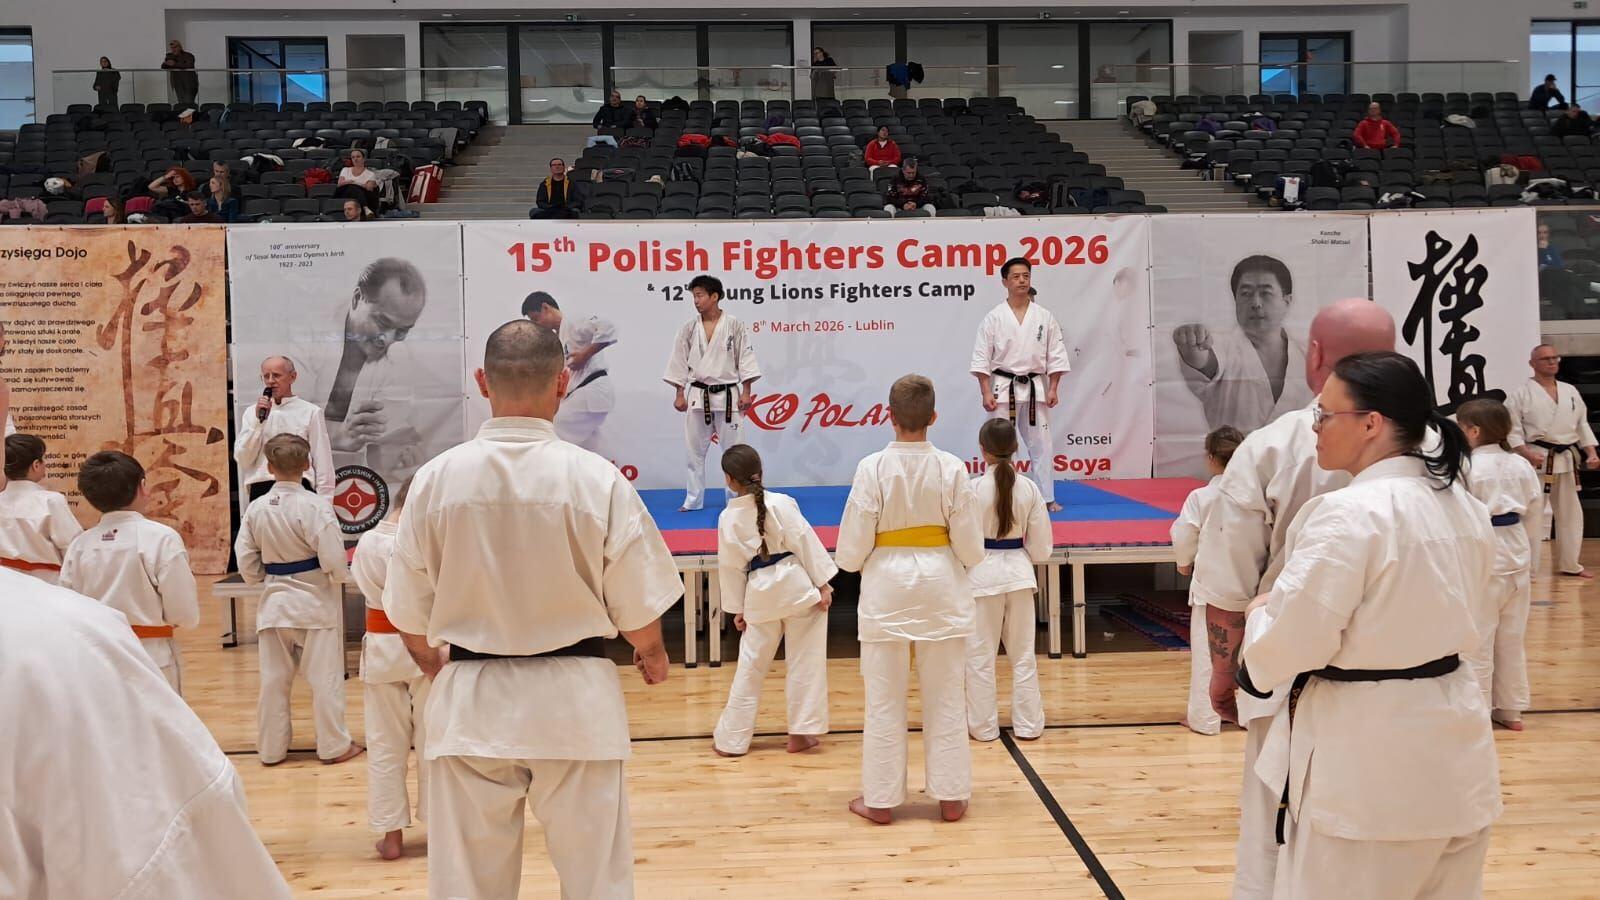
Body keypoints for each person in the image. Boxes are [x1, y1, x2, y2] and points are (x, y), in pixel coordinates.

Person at [383, 319, 682, 900]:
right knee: (597, 883)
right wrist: (652, 654)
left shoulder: (435, 481)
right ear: (563, 382)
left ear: (481, 382)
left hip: (472, 701)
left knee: (468, 887)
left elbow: (409, 616)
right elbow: (637, 607)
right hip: (576, 702)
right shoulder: (597, 479)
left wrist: (433, 664)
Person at [1236, 351, 1500, 899]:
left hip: (1366, 763)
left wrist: (1260, 615)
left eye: (1325, 414)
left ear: (1371, 423)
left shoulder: (1348, 513)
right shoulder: (1462, 505)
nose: (1315, 427)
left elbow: (1294, 643)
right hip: (1454, 742)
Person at [1190, 297, 1398, 900]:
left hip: (1294, 676)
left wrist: (1224, 674)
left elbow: (1230, 580)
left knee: (1275, 835)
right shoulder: (1443, 452)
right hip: (1415, 684)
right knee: (1391, 846)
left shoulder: (1273, 446)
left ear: (1314, 354)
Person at [0, 569, 293, 899]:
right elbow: (184, 610)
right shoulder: (64, 638)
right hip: (128, 655)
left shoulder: (77, 564)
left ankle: (271, 749)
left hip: (106, 650)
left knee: (273, 686)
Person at [836, 374, 985, 826]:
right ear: (933, 417)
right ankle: (952, 796)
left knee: (884, 700)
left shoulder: (872, 469)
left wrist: (875, 556)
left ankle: (880, 801)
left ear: (889, 416)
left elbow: (850, 553)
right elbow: (972, 549)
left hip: (887, 589)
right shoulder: (952, 468)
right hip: (941, 587)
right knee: (947, 697)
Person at [235, 433, 363, 767]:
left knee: (273, 683)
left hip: (274, 606)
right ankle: (333, 746)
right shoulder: (315, 507)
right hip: (314, 606)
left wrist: (262, 577)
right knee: (325, 681)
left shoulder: (256, 509)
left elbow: (246, 561)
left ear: (269, 467)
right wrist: (338, 576)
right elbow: (334, 561)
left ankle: (271, 749)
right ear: (307, 465)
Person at [712, 444, 837, 757]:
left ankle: (732, 740)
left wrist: (738, 609)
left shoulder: (728, 517)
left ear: (729, 480)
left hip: (760, 594)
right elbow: (804, 541)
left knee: (750, 668)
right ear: (761, 471)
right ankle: (801, 734)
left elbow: (730, 567)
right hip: (797, 588)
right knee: (806, 662)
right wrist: (823, 583)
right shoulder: (782, 503)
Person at [57, 451, 199, 695]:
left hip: (97, 655)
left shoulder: (80, 545)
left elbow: (68, 607)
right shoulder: (161, 538)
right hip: (151, 655)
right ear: (143, 487)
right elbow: (183, 612)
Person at [279, 258, 433, 482]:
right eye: (382, 322)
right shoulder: (307, 334)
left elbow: (388, 441)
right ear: (357, 299)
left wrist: (398, 456)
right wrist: (336, 438)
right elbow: (283, 422)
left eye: (402, 331)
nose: (388, 339)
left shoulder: (399, 358)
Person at [350, 476, 428, 861]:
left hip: (382, 646)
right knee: (433, 742)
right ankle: (440, 827)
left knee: (385, 744)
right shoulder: (423, 542)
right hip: (427, 648)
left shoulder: (366, 542)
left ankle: (391, 835)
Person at [963, 417, 1053, 743]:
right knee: (1023, 656)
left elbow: (962, 541)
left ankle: (982, 727)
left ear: (982, 450)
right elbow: (1041, 549)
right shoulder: (1029, 488)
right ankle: (1029, 726)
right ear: (1016, 448)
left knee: (979, 658)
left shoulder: (972, 489)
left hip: (981, 576)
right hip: (1018, 575)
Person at [1457, 399, 1542, 732]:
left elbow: (1458, 515)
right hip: (1517, 549)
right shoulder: (1521, 464)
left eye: (1461, 427)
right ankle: (1511, 709)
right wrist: (1533, 561)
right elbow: (1534, 512)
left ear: (1474, 431)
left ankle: (1478, 712)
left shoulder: (1467, 466)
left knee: (1478, 639)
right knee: (1511, 637)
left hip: (1483, 553)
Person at [970, 257, 1072, 511]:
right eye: (1016, 277)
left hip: (1035, 387)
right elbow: (981, 357)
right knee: (1000, 444)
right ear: (1005, 282)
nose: (1022, 281)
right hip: (1003, 388)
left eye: (1026, 276)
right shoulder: (993, 318)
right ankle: (999, 496)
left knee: (1042, 444)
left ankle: (1046, 498)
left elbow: (1056, 354)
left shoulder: (1044, 316)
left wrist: (1053, 387)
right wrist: (985, 391)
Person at [1173, 254, 1310, 434]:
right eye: (1246, 294)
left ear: (1287, 301)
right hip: (1233, 452)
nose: (1256, 303)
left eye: (1266, 293)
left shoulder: (1309, 355)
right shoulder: (1221, 346)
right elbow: (1204, 360)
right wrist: (1191, 344)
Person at [663, 274, 762, 512]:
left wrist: (747, 391)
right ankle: (693, 499)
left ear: (714, 296)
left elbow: (745, 358)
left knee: (735, 453)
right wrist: (679, 392)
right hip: (698, 396)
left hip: (728, 396)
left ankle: (737, 499)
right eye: (694, 296)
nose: (696, 301)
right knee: (694, 453)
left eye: (700, 295)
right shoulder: (688, 328)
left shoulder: (734, 325)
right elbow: (679, 360)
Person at [1169, 425, 1244, 737]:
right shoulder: (1260, 494)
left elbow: (1184, 533)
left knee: (1209, 655)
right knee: (1253, 652)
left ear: (1211, 458)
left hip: (1213, 583)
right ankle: (1252, 716)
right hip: (1253, 583)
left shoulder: (1202, 497)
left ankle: (1205, 717)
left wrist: (1184, 561)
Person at [1505, 343, 1600, 578]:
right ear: (1532, 364)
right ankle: (1529, 568)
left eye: (1555, 357)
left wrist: (1591, 452)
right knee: (1533, 515)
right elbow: (1512, 430)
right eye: (1545, 358)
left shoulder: (1570, 391)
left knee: (1571, 514)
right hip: (1536, 460)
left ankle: (1571, 564)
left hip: (1566, 460)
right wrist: (1526, 453)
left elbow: (1581, 424)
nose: (1551, 362)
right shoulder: (1520, 394)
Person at [523, 291, 618, 453]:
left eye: (535, 319)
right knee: (588, 449)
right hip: (584, 394)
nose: (537, 325)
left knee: (551, 435)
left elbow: (608, 327)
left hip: (592, 390)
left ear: (545, 308)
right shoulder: (560, 336)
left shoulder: (573, 321)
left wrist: (584, 355)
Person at [234, 355, 336, 503]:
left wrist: (325, 502)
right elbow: (243, 459)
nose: (270, 381)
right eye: (266, 376)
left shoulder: (310, 412)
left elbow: (323, 461)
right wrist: (258, 423)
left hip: (300, 486)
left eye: (276, 375)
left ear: (292, 377)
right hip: (262, 487)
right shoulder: (252, 412)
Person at [0, 434, 83, 583]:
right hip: (47, 584)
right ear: (36, 465)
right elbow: (73, 549)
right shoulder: (51, 501)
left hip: (5, 584)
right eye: (43, 459)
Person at [162, 39, 198, 107]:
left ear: (180, 47)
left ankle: (190, 114)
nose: (173, 49)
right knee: (181, 104)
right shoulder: (170, 56)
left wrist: (174, 64)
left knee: (189, 104)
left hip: (190, 84)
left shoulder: (188, 55)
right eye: (172, 48)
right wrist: (167, 63)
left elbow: (189, 65)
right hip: (178, 84)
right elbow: (163, 66)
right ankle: (184, 114)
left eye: (175, 47)